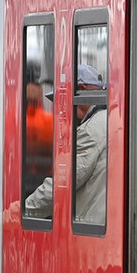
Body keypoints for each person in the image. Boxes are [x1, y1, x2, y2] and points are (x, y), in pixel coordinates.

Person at [25, 64, 106, 224]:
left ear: (81, 91)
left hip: (91, 233)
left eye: (64, 99)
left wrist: (17, 213)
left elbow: (60, 187)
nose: (63, 109)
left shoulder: (91, 131)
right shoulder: (112, 120)